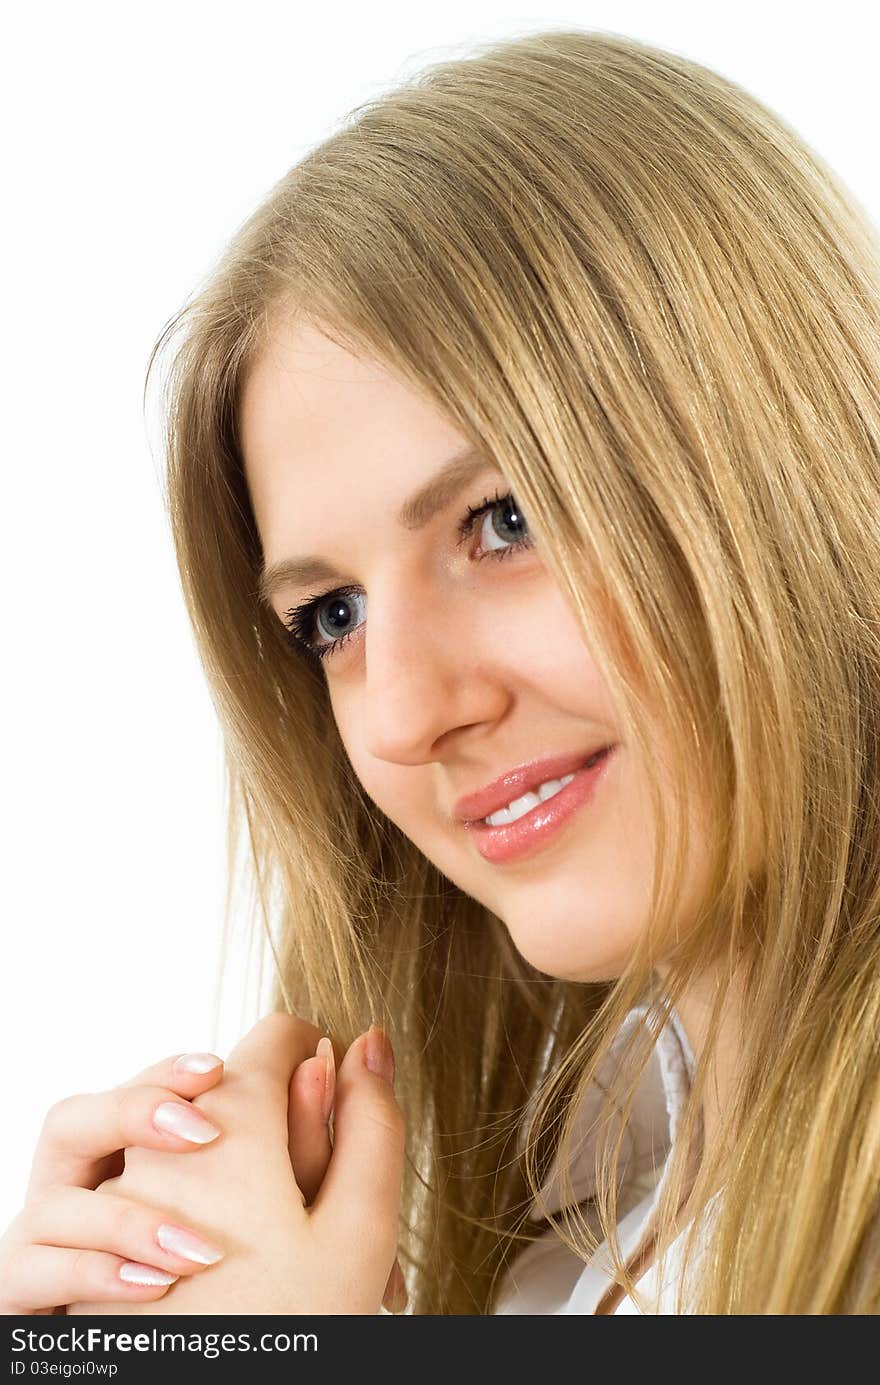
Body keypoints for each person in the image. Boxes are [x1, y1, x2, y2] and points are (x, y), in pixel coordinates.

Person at [3, 25, 880, 1316]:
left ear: (769, 460)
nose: (405, 712)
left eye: (504, 521)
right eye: (334, 615)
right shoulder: (569, 1252)